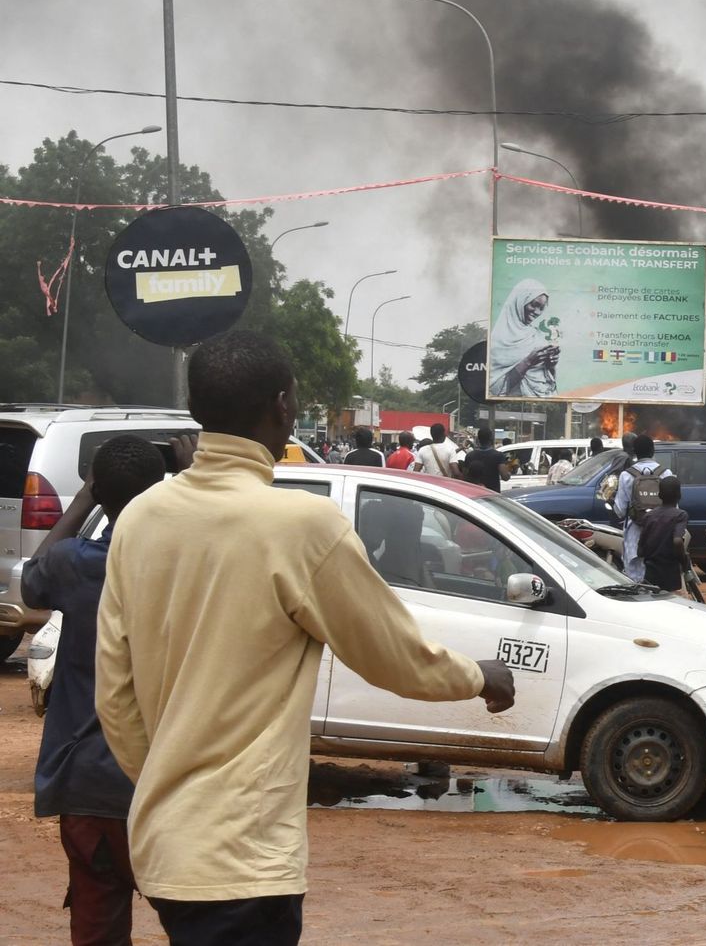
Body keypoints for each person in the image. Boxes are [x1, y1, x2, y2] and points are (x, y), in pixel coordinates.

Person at [95, 330, 514, 945]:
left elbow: (114, 693)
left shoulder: (140, 518)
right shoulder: (300, 525)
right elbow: (393, 656)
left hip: (165, 848)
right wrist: (480, 676)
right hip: (244, 863)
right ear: (284, 407)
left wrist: (168, 781)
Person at [24, 436, 168, 945]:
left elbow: (31, 583)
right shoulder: (181, 563)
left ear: (100, 490)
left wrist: (87, 493)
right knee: (204, 925)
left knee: (97, 923)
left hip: (84, 778)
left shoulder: (75, 563)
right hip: (166, 782)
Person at [613, 436, 672, 582]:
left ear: (634, 452)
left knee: (635, 584)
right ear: (653, 451)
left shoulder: (626, 475)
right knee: (658, 585)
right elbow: (673, 509)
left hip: (635, 538)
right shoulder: (666, 474)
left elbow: (620, 510)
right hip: (660, 537)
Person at [487, 279, 560, 397]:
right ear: (520, 300)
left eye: (541, 308)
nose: (537, 312)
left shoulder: (537, 336)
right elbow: (494, 389)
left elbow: (549, 382)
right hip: (514, 407)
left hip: (545, 404)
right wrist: (528, 361)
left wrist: (551, 365)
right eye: (534, 305)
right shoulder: (497, 341)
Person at [637, 476, 692, 593]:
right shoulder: (680, 515)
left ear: (659, 495)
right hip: (670, 572)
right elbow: (677, 541)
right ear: (679, 495)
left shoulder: (649, 516)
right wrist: (683, 561)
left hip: (650, 572)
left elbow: (640, 549)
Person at [461, 428, 508, 493]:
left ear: (478, 439)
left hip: (473, 494)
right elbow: (505, 477)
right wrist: (509, 471)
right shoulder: (498, 455)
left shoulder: (470, 456)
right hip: (492, 494)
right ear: (491, 439)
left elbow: (465, 477)